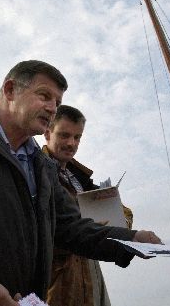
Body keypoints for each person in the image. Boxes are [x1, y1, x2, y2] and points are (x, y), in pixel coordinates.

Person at [0, 60, 161, 306]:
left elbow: (71, 228)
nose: (52, 108)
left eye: (58, 102)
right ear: (10, 90)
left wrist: (130, 240)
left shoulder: (42, 168)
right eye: (44, 96)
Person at [43, 105, 133, 306]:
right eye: (64, 135)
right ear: (47, 133)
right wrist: (84, 230)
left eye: (77, 137)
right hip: (57, 280)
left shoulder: (81, 180)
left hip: (91, 274)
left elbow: (124, 212)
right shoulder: (35, 173)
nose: (71, 143)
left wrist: (121, 222)